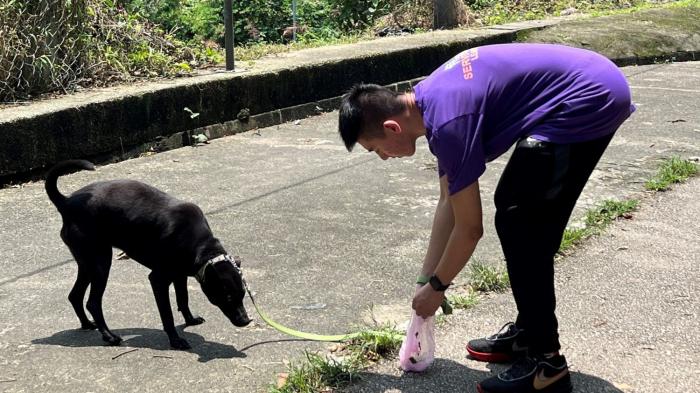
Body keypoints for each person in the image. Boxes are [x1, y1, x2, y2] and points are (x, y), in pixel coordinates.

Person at [337, 43, 635, 393]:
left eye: (376, 150)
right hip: (586, 84)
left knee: (519, 218)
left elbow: (469, 229)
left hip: (588, 97)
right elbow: (448, 202)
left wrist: (437, 289)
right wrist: (425, 279)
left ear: (391, 128)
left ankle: (546, 363)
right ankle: (529, 333)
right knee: (526, 218)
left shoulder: (448, 122)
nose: (384, 158)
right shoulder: (432, 102)